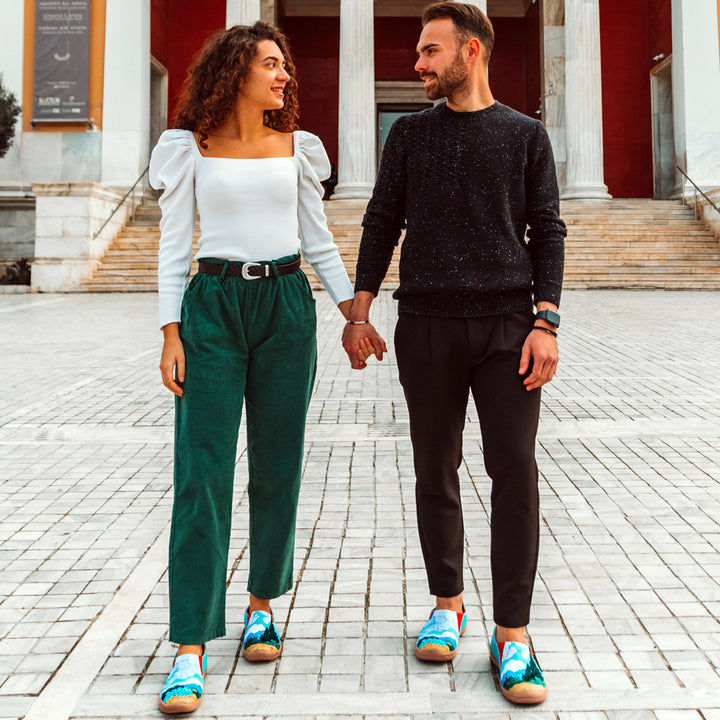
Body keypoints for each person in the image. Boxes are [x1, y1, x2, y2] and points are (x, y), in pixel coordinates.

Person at [342, 2, 566, 706]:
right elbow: (383, 216)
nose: (417, 64)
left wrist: (546, 322)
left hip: (508, 327)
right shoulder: (409, 134)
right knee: (435, 468)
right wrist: (361, 305)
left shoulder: (525, 136)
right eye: (418, 51)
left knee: (514, 473)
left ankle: (513, 635)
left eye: (430, 51)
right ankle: (447, 602)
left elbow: (549, 230)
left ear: (471, 52)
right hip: (428, 325)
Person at [149, 22, 355, 714]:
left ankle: (261, 605)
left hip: (287, 307)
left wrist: (353, 313)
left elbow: (318, 242)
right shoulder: (189, 150)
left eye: (285, 66)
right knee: (201, 471)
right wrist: (170, 332)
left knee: (278, 463)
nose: (284, 76)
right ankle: (189, 645)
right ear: (236, 70)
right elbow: (174, 245)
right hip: (211, 305)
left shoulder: (298, 149)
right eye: (272, 64)